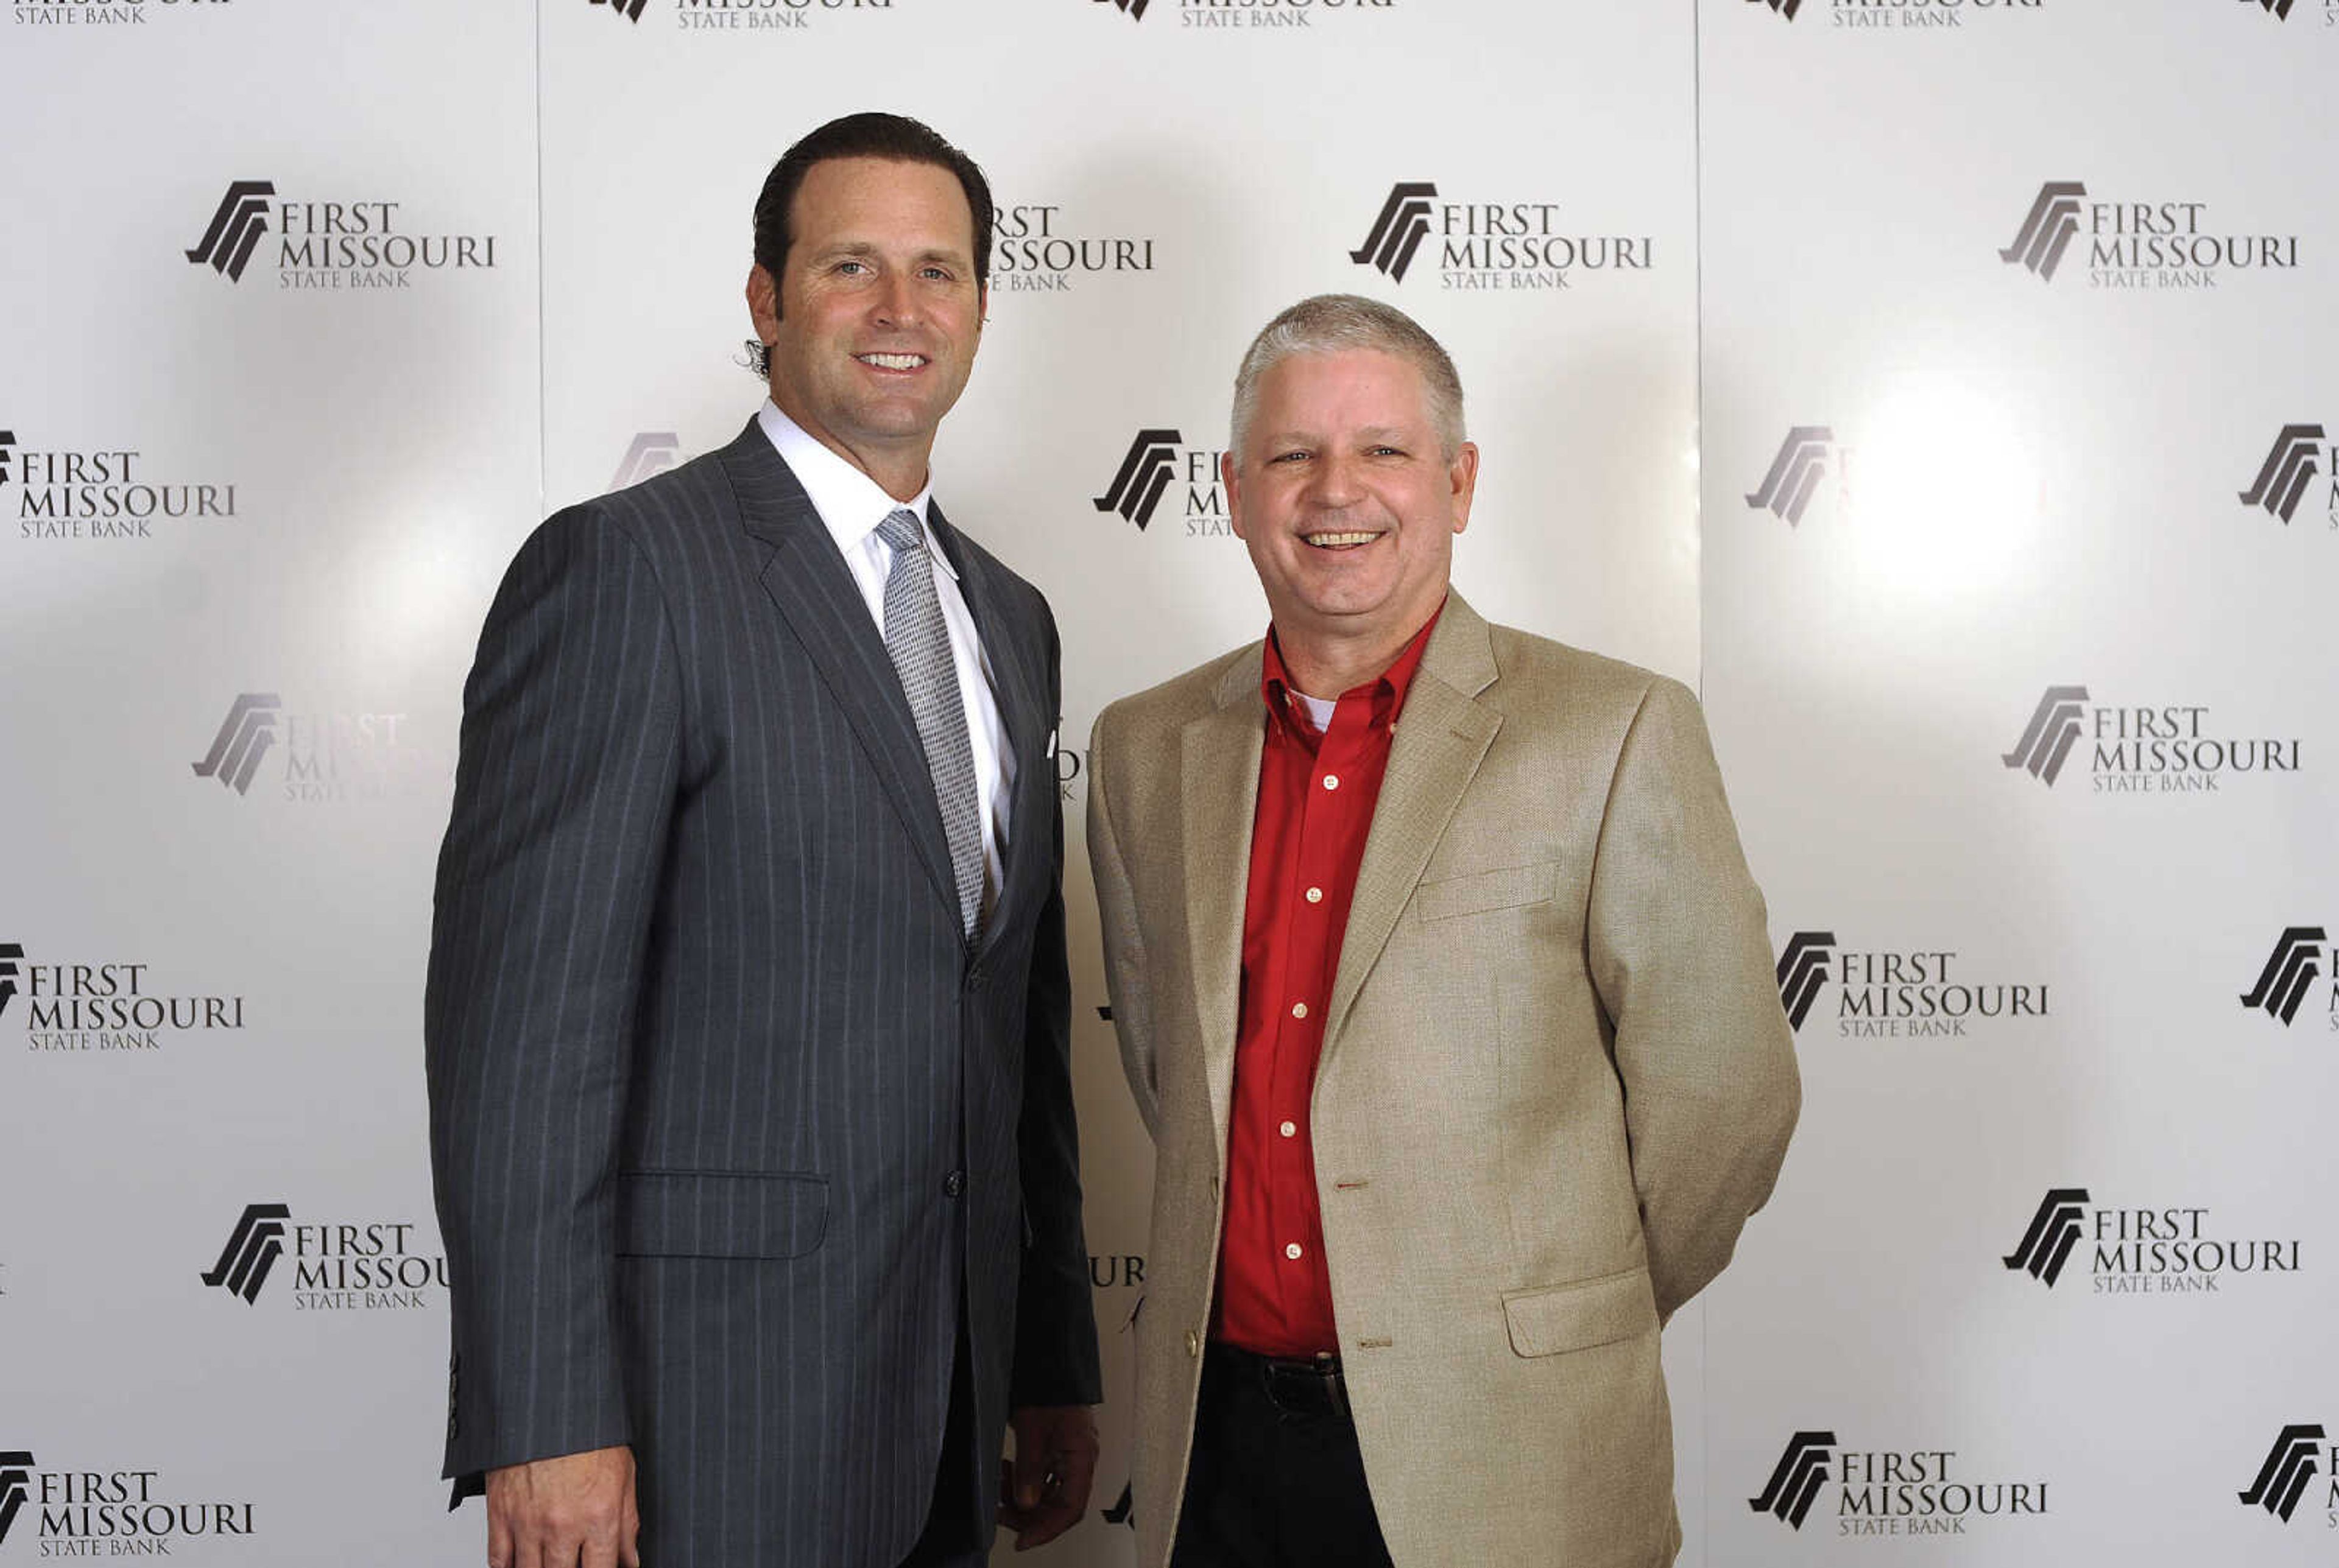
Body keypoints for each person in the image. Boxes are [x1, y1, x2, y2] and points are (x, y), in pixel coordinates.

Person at [424, 111, 1100, 1568]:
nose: (902, 311)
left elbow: (1012, 1011)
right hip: (705, 1411)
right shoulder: (625, 572)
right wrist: (542, 1414)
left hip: (952, 1400)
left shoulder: (1013, 618)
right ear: (765, 298)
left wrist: (1049, 1359)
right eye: (852, 264)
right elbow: (523, 1039)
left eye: (941, 271)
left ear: (983, 306)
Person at [1085, 294, 1799, 1568]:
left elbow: (1724, 1098)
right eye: (1293, 454)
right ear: (1236, 488)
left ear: (1460, 483)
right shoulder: (1145, 749)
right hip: (1219, 1458)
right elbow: (1166, 1077)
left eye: (1385, 451)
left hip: (1510, 1449)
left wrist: (1551, 1307)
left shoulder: (1613, 729)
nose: (1335, 490)